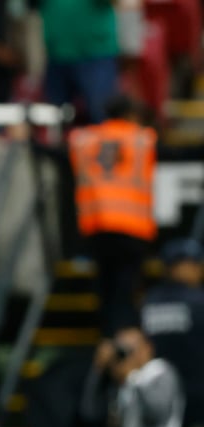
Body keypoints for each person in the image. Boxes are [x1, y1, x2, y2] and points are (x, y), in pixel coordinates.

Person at [69, 94, 157, 337]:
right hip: (132, 227)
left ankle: (107, 338)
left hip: (97, 226)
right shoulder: (143, 138)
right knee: (125, 289)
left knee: (105, 288)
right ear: (130, 114)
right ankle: (123, 339)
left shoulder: (84, 139)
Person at [141, 238, 204, 427]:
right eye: (195, 263)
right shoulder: (198, 301)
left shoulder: (150, 300)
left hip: (159, 400)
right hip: (197, 396)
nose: (199, 269)